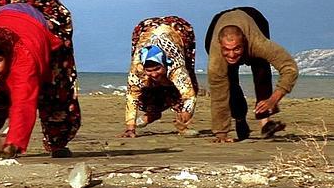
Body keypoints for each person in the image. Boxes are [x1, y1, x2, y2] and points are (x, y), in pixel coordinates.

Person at [0, 0, 81, 160]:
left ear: (6, 56)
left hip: (48, 14)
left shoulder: (23, 57)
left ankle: (57, 143)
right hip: (0, 6)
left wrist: (13, 145)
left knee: (56, 91)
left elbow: (24, 102)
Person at [205, 7, 298, 142]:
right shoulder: (216, 54)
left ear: (245, 42)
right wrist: (221, 133)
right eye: (227, 50)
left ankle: (265, 121)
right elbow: (218, 95)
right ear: (220, 46)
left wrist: (274, 99)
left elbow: (290, 68)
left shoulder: (257, 43)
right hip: (218, 21)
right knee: (227, 80)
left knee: (261, 67)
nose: (231, 55)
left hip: (254, 17)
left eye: (237, 48)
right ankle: (239, 117)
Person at [119, 16, 199, 138]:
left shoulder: (176, 67)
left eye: (157, 69)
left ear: (165, 64)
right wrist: (130, 128)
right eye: (149, 70)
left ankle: (182, 123)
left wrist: (185, 114)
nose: (154, 73)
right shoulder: (138, 69)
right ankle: (153, 113)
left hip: (178, 30)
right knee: (145, 86)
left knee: (186, 85)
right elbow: (132, 96)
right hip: (145, 29)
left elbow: (189, 95)